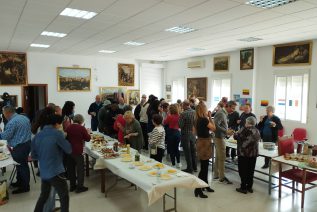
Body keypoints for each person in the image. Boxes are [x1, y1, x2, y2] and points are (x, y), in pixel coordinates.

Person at [32, 114, 72, 212]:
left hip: (44, 171)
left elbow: (33, 156)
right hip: (55, 170)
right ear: (56, 124)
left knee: (44, 195)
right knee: (64, 195)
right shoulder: (57, 134)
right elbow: (69, 149)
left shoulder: (37, 135)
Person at [0, 106, 32, 194]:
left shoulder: (12, 122)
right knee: (20, 165)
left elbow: (6, 136)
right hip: (27, 144)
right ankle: (20, 182)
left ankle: (25, 187)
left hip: (20, 146)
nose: (3, 115)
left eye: (3, 113)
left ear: (7, 113)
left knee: (21, 166)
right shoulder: (24, 117)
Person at [194, 101, 216, 198]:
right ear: (203, 110)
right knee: (204, 168)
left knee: (205, 166)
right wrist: (210, 117)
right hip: (205, 143)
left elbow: (194, 132)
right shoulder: (204, 120)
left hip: (200, 142)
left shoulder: (197, 119)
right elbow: (214, 128)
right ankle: (198, 189)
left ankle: (205, 185)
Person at [234, 116, 260, 194]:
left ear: (248, 123)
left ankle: (243, 187)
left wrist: (236, 133)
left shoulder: (244, 130)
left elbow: (236, 137)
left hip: (244, 154)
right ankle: (249, 187)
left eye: (246, 122)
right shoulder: (257, 130)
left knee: (243, 171)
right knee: (250, 171)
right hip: (253, 154)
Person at [66, 114, 91, 193]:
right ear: (81, 121)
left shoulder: (68, 127)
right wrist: (88, 132)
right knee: (80, 169)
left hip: (69, 150)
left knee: (71, 169)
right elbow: (87, 139)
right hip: (77, 150)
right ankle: (80, 187)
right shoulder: (81, 128)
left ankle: (72, 186)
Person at [213, 100, 236, 184]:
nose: (233, 110)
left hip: (220, 136)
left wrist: (227, 130)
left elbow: (221, 124)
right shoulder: (221, 113)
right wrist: (226, 131)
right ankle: (222, 177)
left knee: (219, 157)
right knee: (222, 157)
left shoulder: (224, 113)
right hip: (219, 137)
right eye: (232, 108)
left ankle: (216, 174)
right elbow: (215, 125)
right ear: (227, 106)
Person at [178, 99, 197, 173]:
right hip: (193, 134)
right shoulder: (194, 112)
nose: (182, 106)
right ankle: (195, 167)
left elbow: (180, 125)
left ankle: (189, 168)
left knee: (187, 152)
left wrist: (179, 119)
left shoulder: (183, 114)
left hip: (185, 134)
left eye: (182, 105)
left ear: (185, 105)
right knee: (193, 151)